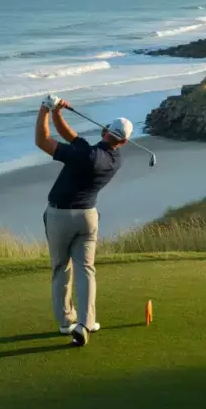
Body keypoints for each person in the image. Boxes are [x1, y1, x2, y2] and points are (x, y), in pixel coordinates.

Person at [34, 93, 132, 347]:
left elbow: (43, 141)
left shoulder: (86, 156)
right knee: (86, 270)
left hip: (60, 216)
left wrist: (44, 109)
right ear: (123, 143)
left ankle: (67, 322)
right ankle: (87, 322)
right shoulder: (113, 159)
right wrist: (58, 113)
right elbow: (73, 138)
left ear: (106, 132)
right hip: (88, 218)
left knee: (61, 269)